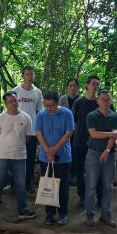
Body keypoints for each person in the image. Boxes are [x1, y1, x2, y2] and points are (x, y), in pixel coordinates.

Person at [0, 92, 38, 221]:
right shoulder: (0, 118)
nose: (14, 103)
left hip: (20, 155)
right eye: (10, 101)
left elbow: (28, 137)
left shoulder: (26, 117)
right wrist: (6, 145)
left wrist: (17, 144)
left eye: (15, 100)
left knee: (20, 185)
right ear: (6, 103)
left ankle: (23, 210)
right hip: (2, 155)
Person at [35, 91, 75, 226]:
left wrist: (54, 149)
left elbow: (69, 133)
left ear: (57, 103)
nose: (48, 108)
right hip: (45, 157)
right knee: (48, 185)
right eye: (46, 105)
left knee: (63, 186)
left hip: (63, 156)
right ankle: (50, 213)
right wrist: (48, 150)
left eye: (51, 105)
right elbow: (38, 133)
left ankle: (63, 213)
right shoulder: (41, 115)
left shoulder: (67, 113)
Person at [85, 89, 117, 227]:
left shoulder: (115, 116)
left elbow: (114, 135)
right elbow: (94, 134)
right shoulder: (91, 115)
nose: (105, 102)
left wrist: (107, 150)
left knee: (108, 187)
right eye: (103, 99)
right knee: (91, 186)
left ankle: (106, 215)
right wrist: (111, 134)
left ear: (111, 101)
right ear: (97, 101)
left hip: (109, 155)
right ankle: (89, 215)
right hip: (93, 154)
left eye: (108, 99)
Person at [12, 66, 43, 192]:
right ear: (23, 76)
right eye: (27, 74)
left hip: (32, 130)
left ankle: (28, 184)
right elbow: (10, 110)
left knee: (30, 158)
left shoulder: (37, 92)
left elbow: (39, 111)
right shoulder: (16, 90)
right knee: (15, 157)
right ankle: (14, 185)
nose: (30, 77)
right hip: (17, 130)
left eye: (32, 74)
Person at [71, 76, 101, 203]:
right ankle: (82, 196)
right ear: (87, 85)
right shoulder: (78, 103)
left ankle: (99, 196)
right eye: (94, 83)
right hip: (80, 141)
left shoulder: (101, 102)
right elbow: (73, 122)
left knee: (97, 170)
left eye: (98, 84)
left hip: (97, 142)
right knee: (80, 170)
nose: (96, 86)